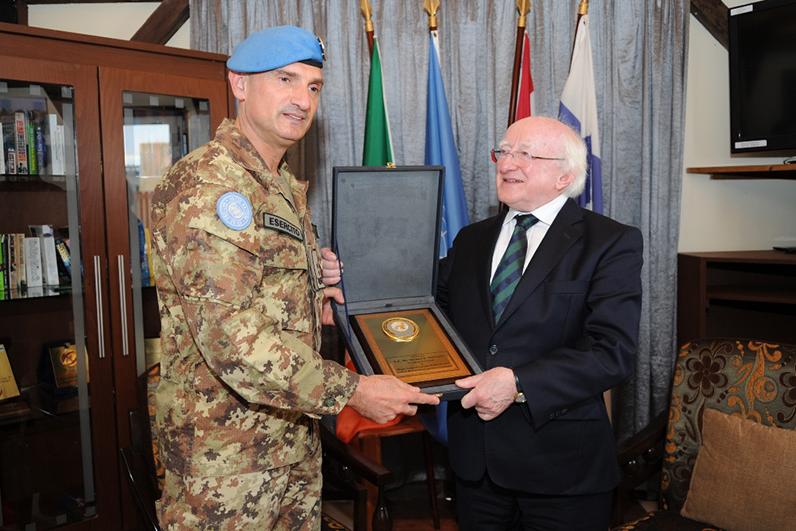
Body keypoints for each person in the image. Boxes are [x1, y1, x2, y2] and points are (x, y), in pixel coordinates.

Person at [149, 25, 439, 530]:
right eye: (285, 80)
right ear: (240, 84)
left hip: (289, 441)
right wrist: (352, 391)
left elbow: (262, 294)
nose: (303, 100)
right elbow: (232, 341)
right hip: (225, 464)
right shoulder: (211, 185)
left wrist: (313, 297)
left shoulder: (278, 183)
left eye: (313, 86)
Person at [438, 116, 643, 530]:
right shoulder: (470, 239)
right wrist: (352, 282)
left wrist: (517, 382)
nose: (506, 163)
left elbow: (612, 352)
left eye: (525, 154)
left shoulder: (610, 242)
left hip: (562, 469)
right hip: (476, 465)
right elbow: (429, 312)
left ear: (564, 176)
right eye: (503, 152)